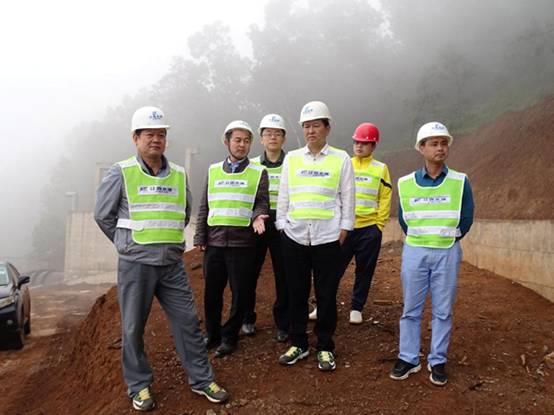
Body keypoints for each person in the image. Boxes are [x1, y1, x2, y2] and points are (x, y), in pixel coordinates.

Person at [94, 106, 229, 412]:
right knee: (132, 329)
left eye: (161, 134)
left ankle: (202, 379)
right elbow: (103, 216)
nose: (156, 140)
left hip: (171, 265)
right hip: (136, 264)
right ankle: (139, 385)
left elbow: (183, 213)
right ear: (136, 138)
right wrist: (127, 243)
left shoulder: (179, 174)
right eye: (150, 134)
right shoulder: (121, 172)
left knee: (188, 323)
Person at [390, 121, 474, 386]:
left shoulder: (460, 181)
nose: (440, 148)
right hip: (415, 251)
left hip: (447, 251)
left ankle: (437, 360)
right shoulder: (405, 183)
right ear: (421, 148)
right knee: (410, 309)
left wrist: (447, 236)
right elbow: (404, 219)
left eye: (444, 143)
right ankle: (408, 357)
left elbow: (466, 217)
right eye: (434, 143)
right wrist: (422, 237)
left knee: (443, 310)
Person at [276, 101, 355, 372]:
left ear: (327, 128)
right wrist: (281, 224)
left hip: (328, 238)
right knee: (296, 292)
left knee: (326, 294)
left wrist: (344, 228)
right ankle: (299, 343)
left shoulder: (341, 158)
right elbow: (284, 193)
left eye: (316, 125)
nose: (311, 131)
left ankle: (324, 346)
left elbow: (348, 196)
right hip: (295, 235)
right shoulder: (292, 158)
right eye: (306, 126)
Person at [194, 120, 269, 358]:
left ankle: (229, 337)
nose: (242, 145)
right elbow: (204, 205)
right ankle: (212, 334)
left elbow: (262, 202)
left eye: (246, 141)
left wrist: (258, 216)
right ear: (227, 142)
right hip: (215, 243)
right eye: (237, 140)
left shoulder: (258, 172)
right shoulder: (213, 170)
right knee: (212, 293)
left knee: (240, 294)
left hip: (242, 244)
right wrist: (200, 235)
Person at [337, 123, 392, 324]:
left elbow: (385, 196)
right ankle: (322, 305)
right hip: (345, 228)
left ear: (373, 146)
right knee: (333, 268)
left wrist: (379, 225)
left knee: (364, 270)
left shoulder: (380, 169)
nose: (359, 146)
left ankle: (356, 308)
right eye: (356, 142)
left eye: (364, 143)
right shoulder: (345, 164)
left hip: (369, 229)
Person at [242, 114, 289, 342]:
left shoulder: (293, 163)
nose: (273, 137)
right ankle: (247, 317)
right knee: (249, 273)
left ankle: (283, 322)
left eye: (277, 133)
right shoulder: (251, 165)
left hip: (284, 226)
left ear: (284, 138)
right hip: (257, 225)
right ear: (261, 138)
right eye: (268, 133)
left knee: (284, 275)